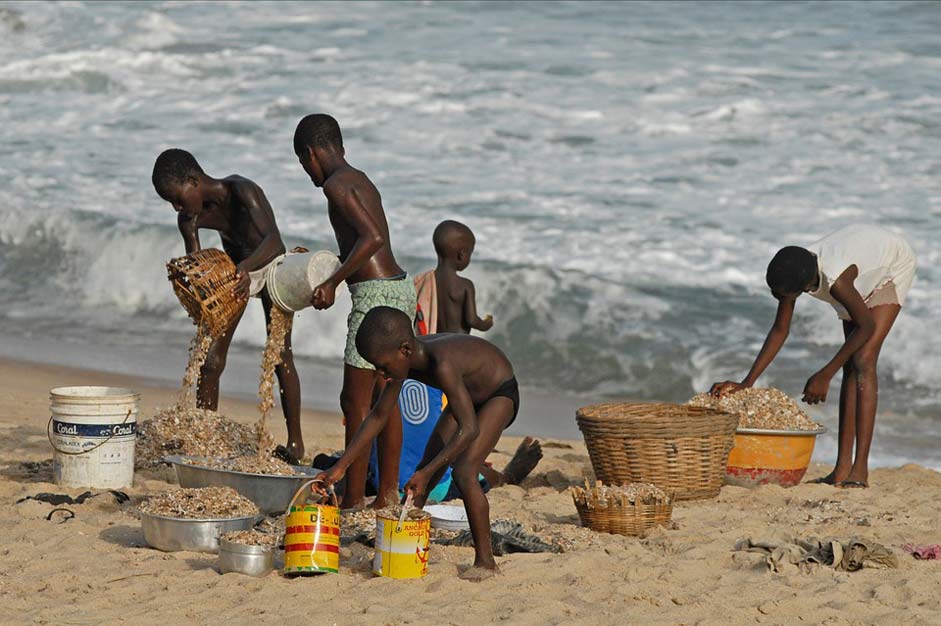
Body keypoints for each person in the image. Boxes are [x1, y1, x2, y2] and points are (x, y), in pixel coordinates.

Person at [315, 306, 520, 577]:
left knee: (464, 471)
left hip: (499, 394)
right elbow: (378, 417)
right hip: (467, 398)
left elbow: (469, 429)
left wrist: (426, 473)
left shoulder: (441, 364)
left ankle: (486, 562)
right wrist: (340, 467)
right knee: (425, 467)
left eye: (383, 366)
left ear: (405, 350)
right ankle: (402, 537)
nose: (381, 373)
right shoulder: (402, 363)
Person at [711, 225, 916, 489]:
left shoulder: (837, 281)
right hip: (863, 265)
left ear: (804, 287)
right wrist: (746, 382)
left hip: (891, 265)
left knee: (863, 360)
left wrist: (825, 374)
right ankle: (842, 470)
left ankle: (860, 470)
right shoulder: (796, 269)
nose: (778, 298)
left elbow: (866, 326)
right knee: (850, 365)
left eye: (782, 295)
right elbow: (780, 330)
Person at [294, 114, 416, 509]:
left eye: (303, 162)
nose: (306, 172)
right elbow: (362, 245)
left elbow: (372, 237)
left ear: (311, 153)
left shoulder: (334, 186)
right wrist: (323, 267)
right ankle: (385, 495)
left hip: (375, 298)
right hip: (398, 289)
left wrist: (333, 283)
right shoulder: (358, 178)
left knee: (355, 402)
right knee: (386, 400)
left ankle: (351, 498)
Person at [152, 149, 305, 461]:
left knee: (279, 356)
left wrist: (247, 268)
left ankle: (295, 445)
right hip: (235, 275)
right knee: (210, 361)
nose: (177, 208)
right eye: (171, 203)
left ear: (194, 181)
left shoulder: (241, 190)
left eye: (178, 199)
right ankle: (204, 435)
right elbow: (198, 269)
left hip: (271, 267)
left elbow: (274, 242)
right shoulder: (189, 219)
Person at [428, 220, 493, 334]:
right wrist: (485, 324)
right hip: (459, 342)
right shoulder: (465, 285)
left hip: (435, 341)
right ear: (461, 255)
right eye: (470, 253)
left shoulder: (426, 282)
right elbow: (471, 320)